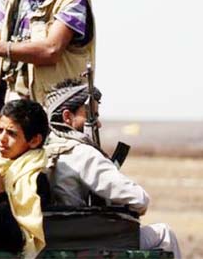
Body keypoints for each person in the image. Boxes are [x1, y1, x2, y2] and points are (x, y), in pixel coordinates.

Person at [44, 78, 182, 258]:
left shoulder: (42, 150)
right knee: (164, 234)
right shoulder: (81, 153)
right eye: (90, 115)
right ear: (67, 117)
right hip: (88, 242)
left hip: (53, 241)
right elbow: (139, 199)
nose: (97, 123)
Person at [0, 99, 50, 258]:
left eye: (11, 133)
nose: (2, 138)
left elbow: (15, 242)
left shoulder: (34, 181)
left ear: (34, 140)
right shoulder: (2, 165)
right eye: (0, 130)